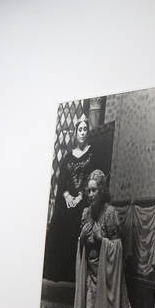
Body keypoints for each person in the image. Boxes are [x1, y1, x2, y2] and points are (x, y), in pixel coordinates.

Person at [67, 169, 151, 308]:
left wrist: (101, 240)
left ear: (102, 191)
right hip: (90, 278)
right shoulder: (85, 213)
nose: (90, 194)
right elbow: (82, 242)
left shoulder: (110, 213)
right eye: (88, 190)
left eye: (94, 190)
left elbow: (118, 246)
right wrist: (82, 240)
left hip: (107, 279)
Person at [44, 115, 95, 283]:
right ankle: (56, 272)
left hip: (84, 200)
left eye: (85, 129)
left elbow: (92, 178)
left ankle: (73, 274)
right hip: (67, 200)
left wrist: (80, 196)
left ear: (88, 132)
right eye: (80, 129)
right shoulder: (68, 156)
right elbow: (62, 180)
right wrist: (66, 196)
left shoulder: (93, 154)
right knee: (60, 221)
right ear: (75, 132)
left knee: (78, 224)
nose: (82, 132)